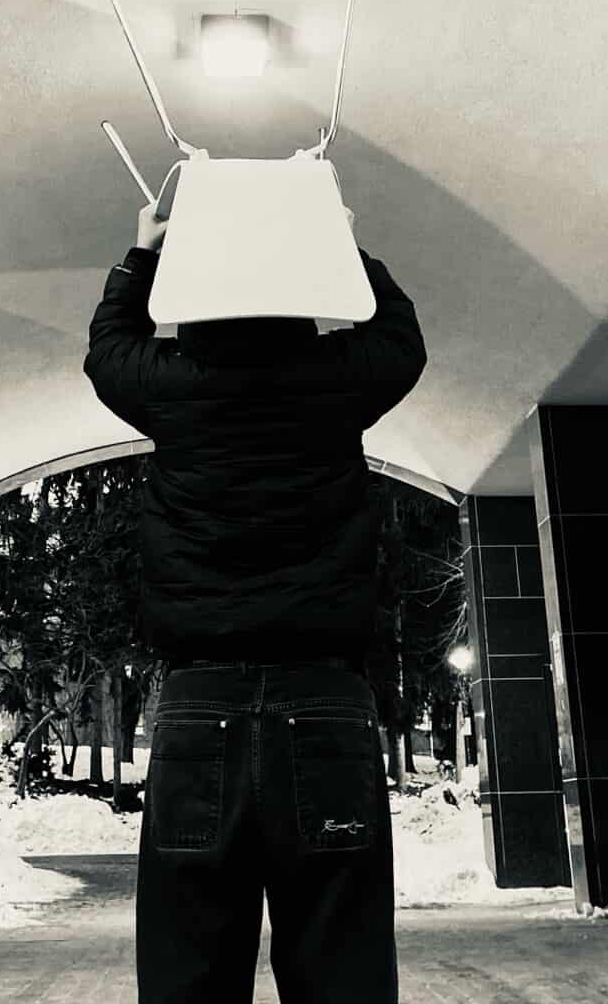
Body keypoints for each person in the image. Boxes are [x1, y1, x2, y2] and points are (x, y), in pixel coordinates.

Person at [84, 200, 426, 1003]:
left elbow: (109, 350)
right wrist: (341, 240)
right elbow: (400, 339)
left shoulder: (173, 387)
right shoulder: (336, 380)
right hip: (326, 701)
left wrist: (142, 254)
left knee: (189, 967)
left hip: (198, 706)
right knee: (342, 968)